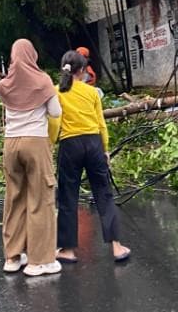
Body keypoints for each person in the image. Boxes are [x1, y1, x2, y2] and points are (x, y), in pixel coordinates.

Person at [50, 50, 130, 264]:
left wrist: (52, 142)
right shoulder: (92, 92)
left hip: (70, 145)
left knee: (68, 196)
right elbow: (101, 122)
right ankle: (116, 247)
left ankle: (67, 249)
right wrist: (105, 148)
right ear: (83, 70)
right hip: (94, 143)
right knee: (104, 193)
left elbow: (55, 122)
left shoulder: (56, 92)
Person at [0, 39, 63, 277]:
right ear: (32, 55)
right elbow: (56, 112)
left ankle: (12, 257)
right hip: (35, 141)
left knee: (14, 198)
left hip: (11, 144)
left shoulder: (4, 85)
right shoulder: (43, 81)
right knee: (41, 198)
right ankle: (39, 261)